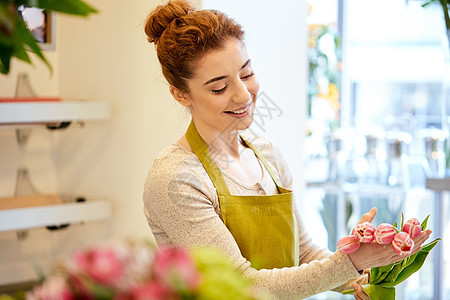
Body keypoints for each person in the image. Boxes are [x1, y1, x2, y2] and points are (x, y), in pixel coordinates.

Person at [142, 1, 431, 299]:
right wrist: (349, 263)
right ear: (180, 94)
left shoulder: (268, 155)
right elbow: (242, 286)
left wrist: (370, 270)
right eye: (219, 88)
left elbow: (303, 252)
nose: (243, 95)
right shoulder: (176, 179)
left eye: (247, 73)